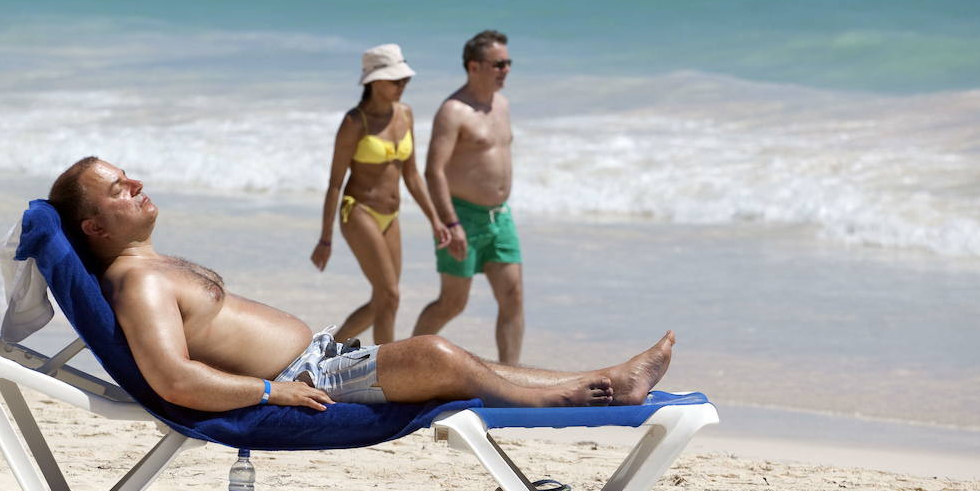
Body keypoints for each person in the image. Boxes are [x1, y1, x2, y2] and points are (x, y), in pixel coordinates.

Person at [48, 156, 676, 412]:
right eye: (117, 189)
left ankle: (600, 382)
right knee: (435, 352)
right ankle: (564, 400)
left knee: (470, 362)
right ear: (93, 225)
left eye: (128, 176)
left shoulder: (151, 268)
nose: (134, 185)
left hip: (321, 361)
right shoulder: (138, 284)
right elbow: (172, 379)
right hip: (306, 381)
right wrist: (270, 393)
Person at [310, 44, 448, 346]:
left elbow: (411, 175)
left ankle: (333, 350)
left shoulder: (406, 114)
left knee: (387, 300)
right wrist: (325, 238)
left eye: (404, 80)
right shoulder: (354, 122)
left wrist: (435, 221)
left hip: (391, 216)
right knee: (390, 294)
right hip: (358, 211)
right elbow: (334, 183)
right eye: (395, 80)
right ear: (374, 81)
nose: (403, 85)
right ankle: (382, 367)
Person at [412, 30, 523, 364]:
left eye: (508, 63)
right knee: (452, 302)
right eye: (498, 64)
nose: (505, 70)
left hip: (500, 217)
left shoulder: (501, 104)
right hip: (462, 217)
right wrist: (451, 222)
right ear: (474, 67)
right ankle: (408, 360)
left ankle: (511, 376)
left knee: (513, 297)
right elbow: (434, 171)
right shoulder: (453, 111)